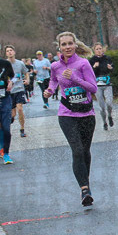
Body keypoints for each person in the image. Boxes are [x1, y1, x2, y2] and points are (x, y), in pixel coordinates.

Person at [44, 32, 99, 206]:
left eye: (70, 44)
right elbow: (54, 81)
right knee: (76, 151)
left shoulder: (83, 64)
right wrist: (50, 91)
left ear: (75, 45)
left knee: (85, 151)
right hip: (67, 113)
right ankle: (84, 189)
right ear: (59, 47)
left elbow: (93, 88)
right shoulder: (55, 66)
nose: (67, 47)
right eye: (64, 44)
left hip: (86, 113)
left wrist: (75, 78)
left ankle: (85, 182)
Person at [5, 46, 30, 137]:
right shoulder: (4, 64)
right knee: (13, 114)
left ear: (14, 52)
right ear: (6, 53)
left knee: (20, 108)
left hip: (19, 89)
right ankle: (8, 124)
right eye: (7, 51)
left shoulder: (20, 63)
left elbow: (26, 73)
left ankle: (22, 129)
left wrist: (27, 80)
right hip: (10, 91)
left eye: (11, 50)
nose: (9, 52)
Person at [90, 43, 116, 130]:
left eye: (100, 48)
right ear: (94, 50)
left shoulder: (107, 58)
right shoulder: (92, 60)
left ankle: (109, 116)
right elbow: (89, 74)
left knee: (109, 103)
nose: (99, 50)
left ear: (102, 49)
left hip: (107, 84)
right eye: (97, 49)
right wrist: (94, 67)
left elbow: (113, 69)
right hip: (97, 86)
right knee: (102, 107)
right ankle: (104, 122)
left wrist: (110, 68)